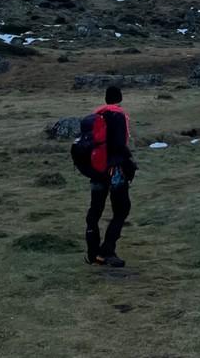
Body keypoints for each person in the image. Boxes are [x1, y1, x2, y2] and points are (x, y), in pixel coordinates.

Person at [85, 84, 135, 267]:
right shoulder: (118, 115)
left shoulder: (96, 115)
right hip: (115, 171)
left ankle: (93, 253)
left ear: (105, 99)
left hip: (96, 170)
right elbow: (120, 144)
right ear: (120, 98)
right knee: (121, 209)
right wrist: (129, 160)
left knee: (95, 210)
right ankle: (108, 249)